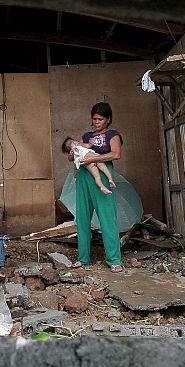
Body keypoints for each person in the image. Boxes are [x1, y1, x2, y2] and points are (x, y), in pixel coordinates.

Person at [69, 102, 124, 272]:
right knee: (83, 218)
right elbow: (73, 156)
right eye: (94, 119)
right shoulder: (86, 136)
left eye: (100, 119)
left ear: (108, 119)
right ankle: (83, 258)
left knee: (107, 218)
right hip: (84, 177)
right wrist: (72, 152)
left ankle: (114, 260)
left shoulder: (113, 135)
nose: (97, 122)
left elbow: (115, 154)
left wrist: (93, 158)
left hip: (102, 176)